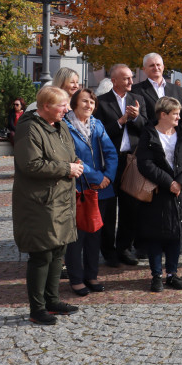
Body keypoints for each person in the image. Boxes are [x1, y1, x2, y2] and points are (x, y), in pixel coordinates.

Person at [12, 86, 84, 325]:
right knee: (42, 253)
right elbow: (30, 164)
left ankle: (52, 301)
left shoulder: (60, 125)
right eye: (62, 105)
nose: (67, 109)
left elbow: (68, 152)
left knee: (58, 251)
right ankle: (37, 308)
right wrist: (67, 169)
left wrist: (75, 162)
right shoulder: (29, 128)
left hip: (62, 199)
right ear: (45, 107)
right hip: (40, 202)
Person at [136, 97, 182, 292]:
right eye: (175, 113)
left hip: (180, 192)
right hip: (157, 192)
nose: (179, 117)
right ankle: (156, 276)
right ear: (163, 114)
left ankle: (172, 274)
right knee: (155, 236)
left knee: (175, 236)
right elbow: (145, 163)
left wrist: (180, 183)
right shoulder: (149, 134)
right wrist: (168, 182)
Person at [64, 88, 118, 297]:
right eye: (85, 102)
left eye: (92, 103)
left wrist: (108, 177)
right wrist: (97, 177)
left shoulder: (97, 124)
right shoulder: (66, 127)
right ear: (74, 103)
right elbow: (72, 158)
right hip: (79, 188)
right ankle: (76, 278)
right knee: (77, 237)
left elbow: (111, 152)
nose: (89, 106)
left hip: (101, 190)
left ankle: (91, 274)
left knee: (96, 234)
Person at [94, 64, 146, 268]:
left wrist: (136, 118)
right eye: (126, 78)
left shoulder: (138, 100)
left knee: (130, 207)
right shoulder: (102, 102)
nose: (131, 81)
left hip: (131, 160)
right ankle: (108, 251)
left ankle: (124, 248)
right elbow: (99, 133)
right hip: (109, 162)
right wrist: (122, 120)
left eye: (131, 77)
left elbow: (146, 126)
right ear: (114, 80)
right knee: (108, 209)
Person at [134, 52, 182, 131]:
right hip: (150, 138)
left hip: (175, 139)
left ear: (163, 67)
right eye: (152, 65)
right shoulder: (136, 90)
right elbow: (139, 119)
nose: (156, 68)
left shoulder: (177, 90)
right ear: (144, 69)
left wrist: (180, 136)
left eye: (158, 65)